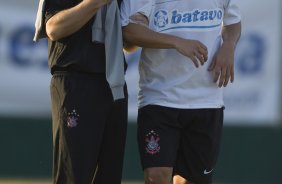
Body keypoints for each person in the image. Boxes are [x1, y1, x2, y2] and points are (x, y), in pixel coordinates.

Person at [121, 0, 241, 183]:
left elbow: (233, 22)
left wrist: (229, 45)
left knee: (190, 180)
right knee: (156, 176)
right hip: (159, 97)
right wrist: (176, 42)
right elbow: (129, 31)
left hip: (207, 100)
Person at [33, 0, 128, 183]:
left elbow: (128, 43)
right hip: (75, 81)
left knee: (109, 175)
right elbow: (53, 27)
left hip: (113, 83)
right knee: (74, 176)